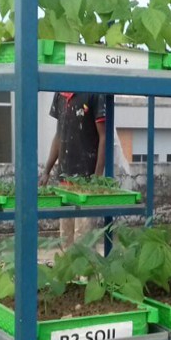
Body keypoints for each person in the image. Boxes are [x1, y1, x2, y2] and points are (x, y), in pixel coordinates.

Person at [39, 92, 107, 248]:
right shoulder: (60, 94)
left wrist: (97, 178)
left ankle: (85, 273)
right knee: (65, 237)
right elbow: (59, 135)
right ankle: (69, 272)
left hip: (86, 182)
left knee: (84, 239)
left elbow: (104, 137)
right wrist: (47, 170)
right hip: (64, 181)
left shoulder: (93, 93)